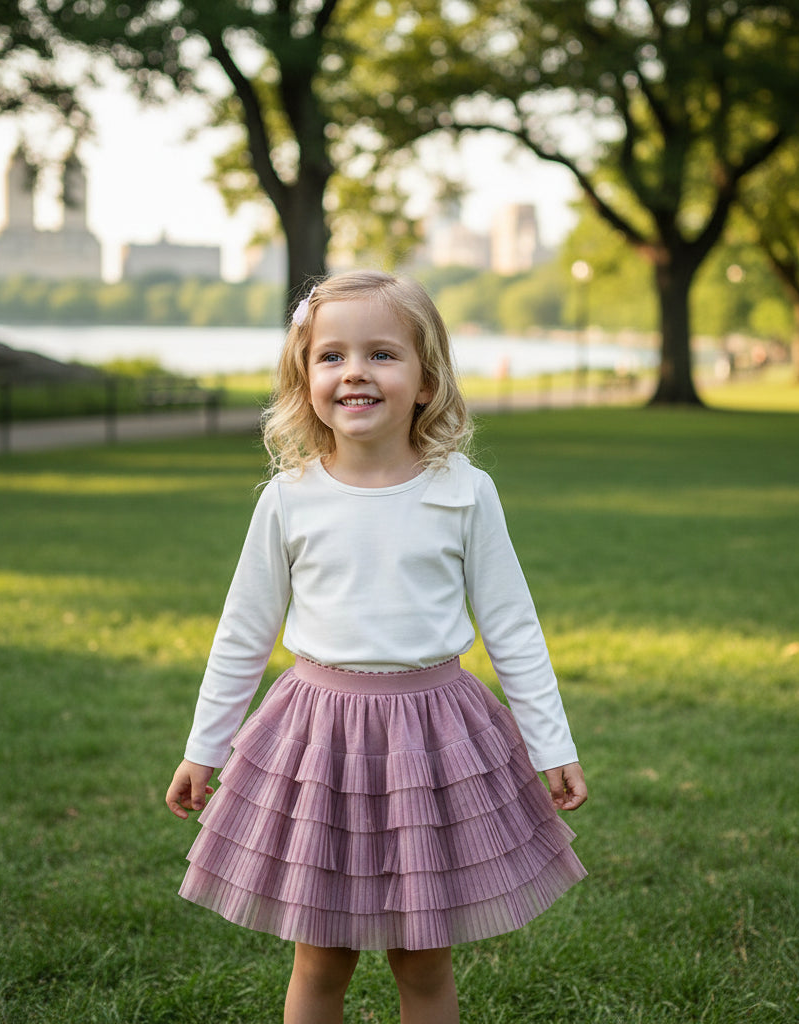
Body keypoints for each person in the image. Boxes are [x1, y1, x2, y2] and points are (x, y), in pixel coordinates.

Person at [166, 269, 587, 1024]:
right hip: (319, 741)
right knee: (321, 955)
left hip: (433, 737)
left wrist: (551, 743)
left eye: (382, 354)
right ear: (305, 379)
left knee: (422, 957)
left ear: (426, 381)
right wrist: (205, 747)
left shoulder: (464, 491)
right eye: (331, 356)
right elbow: (242, 633)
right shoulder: (289, 498)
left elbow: (513, 627)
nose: (355, 371)